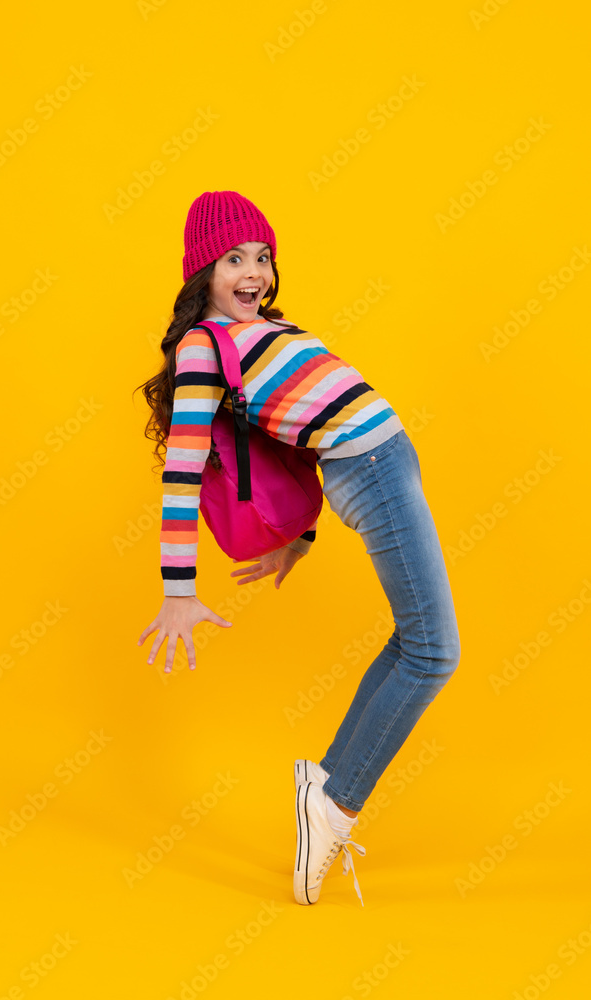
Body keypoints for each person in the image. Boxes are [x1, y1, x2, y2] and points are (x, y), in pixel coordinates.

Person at [135, 190, 461, 907]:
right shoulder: (202, 346)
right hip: (371, 470)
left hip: (382, 464)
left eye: (262, 258)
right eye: (233, 260)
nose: (253, 273)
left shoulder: (262, 329)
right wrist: (178, 588)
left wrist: (302, 535)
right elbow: (184, 467)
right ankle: (335, 801)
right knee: (434, 651)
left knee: (416, 641)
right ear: (201, 273)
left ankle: (326, 784)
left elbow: (293, 435)